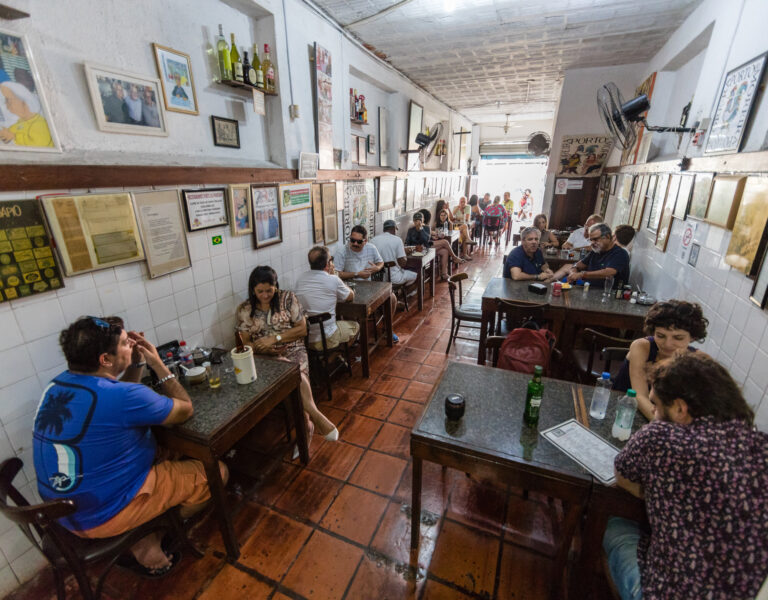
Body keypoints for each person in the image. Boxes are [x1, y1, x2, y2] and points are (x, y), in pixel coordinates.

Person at [33, 316, 221, 576]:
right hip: (102, 514)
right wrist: (156, 362)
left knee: (173, 450)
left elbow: (120, 396)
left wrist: (138, 363)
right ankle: (151, 535)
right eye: (125, 343)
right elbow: (185, 410)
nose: (132, 343)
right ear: (105, 360)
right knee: (215, 473)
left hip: (63, 511)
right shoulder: (123, 397)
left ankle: (146, 523)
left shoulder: (56, 386)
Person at [604, 353, 768, 600]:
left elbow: (623, 476)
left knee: (615, 525)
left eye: (657, 406)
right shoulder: (761, 445)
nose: (655, 414)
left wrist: (664, 491)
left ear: (680, 408)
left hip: (672, 593)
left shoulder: (661, 436)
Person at [236, 266, 338, 441]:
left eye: (269, 290)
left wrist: (275, 338)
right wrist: (261, 347)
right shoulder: (245, 309)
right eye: (260, 291)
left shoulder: (288, 298)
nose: (265, 295)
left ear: (276, 286)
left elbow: (302, 329)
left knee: (292, 371)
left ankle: (306, 426)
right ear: (253, 290)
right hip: (263, 355)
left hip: (293, 348)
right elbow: (245, 344)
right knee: (287, 369)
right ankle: (314, 418)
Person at [613, 300, 708, 420]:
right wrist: (664, 428)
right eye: (660, 336)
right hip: (623, 410)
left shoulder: (700, 360)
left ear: (693, 337)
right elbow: (640, 396)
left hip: (662, 418)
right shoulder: (641, 347)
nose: (668, 344)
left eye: (678, 338)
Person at [336, 225, 400, 342]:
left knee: (392, 298)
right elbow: (337, 274)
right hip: (349, 286)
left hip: (368, 286)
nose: (354, 244)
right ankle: (355, 335)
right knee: (350, 307)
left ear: (365, 241)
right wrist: (356, 274)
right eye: (352, 240)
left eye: (358, 241)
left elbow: (380, 262)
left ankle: (387, 329)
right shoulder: (342, 251)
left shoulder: (371, 248)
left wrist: (377, 268)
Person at [295, 246, 359, 351]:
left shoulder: (300, 279)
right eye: (331, 260)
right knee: (355, 325)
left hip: (307, 337)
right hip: (327, 337)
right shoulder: (333, 279)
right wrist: (335, 276)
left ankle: (326, 358)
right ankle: (333, 357)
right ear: (327, 264)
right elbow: (350, 296)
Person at [551, 223, 630, 285]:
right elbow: (578, 265)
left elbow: (609, 273)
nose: (592, 243)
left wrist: (582, 274)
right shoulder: (596, 251)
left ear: (607, 237)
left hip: (607, 294)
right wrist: (573, 271)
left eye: (595, 239)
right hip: (588, 287)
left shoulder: (621, 253)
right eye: (591, 240)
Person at [407, 212, 463, 281]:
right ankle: (454, 258)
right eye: (416, 221)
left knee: (444, 251)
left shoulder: (426, 228)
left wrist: (421, 229)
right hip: (417, 251)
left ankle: (444, 274)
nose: (418, 222)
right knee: (445, 243)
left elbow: (426, 240)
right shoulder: (410, 230)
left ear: (423, 220)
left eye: (420, 220)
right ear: (413, 221)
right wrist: (413, 247)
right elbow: (407, 243)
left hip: (427, 248)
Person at [0, 81, 54, 147]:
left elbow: (39, 145)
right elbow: (9, 134)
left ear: (24, 100)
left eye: (8, 100)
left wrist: (13, 137)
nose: (6, 104)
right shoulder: (19, 122)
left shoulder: (39, 123)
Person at [370, 219, 418, 286]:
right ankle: (407, 293)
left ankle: (394, 293)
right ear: (393, 229)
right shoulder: (397, 240)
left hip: (377, 278)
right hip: (393, 278)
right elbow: (402, 263)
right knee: (416, 275)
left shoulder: (373, 240)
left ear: (384, 229)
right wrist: (404, 253)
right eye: (396, 230)